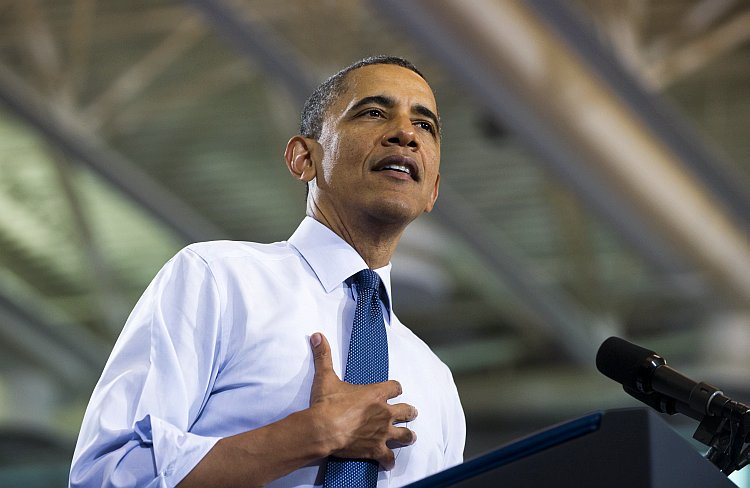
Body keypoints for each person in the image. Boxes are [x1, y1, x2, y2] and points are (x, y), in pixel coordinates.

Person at [69, 55, 465, 488]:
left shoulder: (437, 383)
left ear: (433, 191)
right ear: (303, 159)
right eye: (373, 113)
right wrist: (311, 435)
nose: (406, 134)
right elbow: (105, 474)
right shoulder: (216, 280)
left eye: (424, 125)